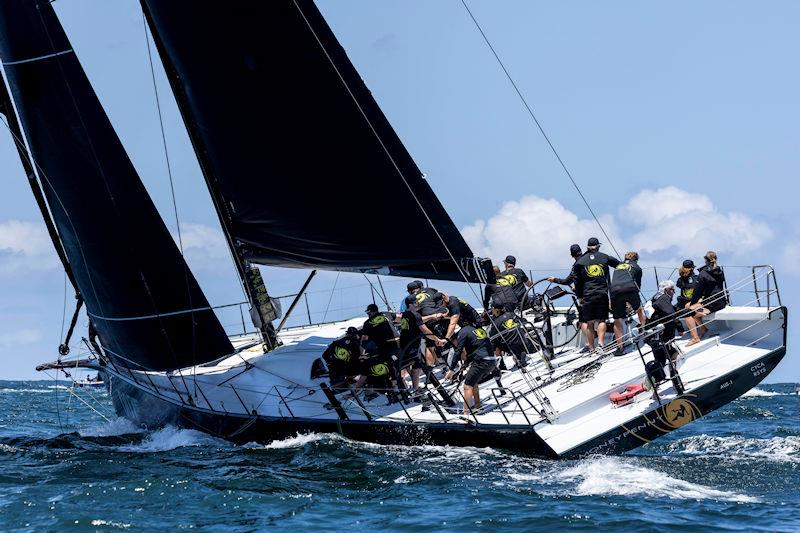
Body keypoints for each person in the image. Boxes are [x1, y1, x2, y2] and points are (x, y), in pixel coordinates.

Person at [573, 238, 620, 350]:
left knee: (589, 323)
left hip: (587, 295)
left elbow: (577, 281)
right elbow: (619, 265)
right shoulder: (604, 257)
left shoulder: (580, 262)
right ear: (598, 246)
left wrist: (579, 297)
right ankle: (600, 344)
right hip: (602, 293)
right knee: (601, 320)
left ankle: (591, 349)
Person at [548, 244, 593, 353]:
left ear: (572, 255)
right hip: (597, 292)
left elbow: (567, 281)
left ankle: (589, 345)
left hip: (583, 297)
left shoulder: (576, 266)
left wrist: (554, 280)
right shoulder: (590, 260)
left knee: (583, 321)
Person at [645, 280, 685, 394]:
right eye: (672, 289)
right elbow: (670, 314)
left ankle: (655, 391)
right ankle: (674, 382)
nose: (674, 292)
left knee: (661, 361)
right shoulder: (663, 298)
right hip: (662, 338)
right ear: (666, 290)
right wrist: (680, 328)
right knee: (673, 355)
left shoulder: (655, 298)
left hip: (655, 338)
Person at [453, 323, 497, 415]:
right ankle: (478, 406)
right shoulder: (475, 330)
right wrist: (465, 364)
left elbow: (458, 351)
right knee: (474, 382)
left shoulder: (463, 333)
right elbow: (476, 348)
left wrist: (451, 369)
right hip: (492, 361)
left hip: (481, 362)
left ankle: (466, 414)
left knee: (467, 386)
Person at [686, 251, 727, 346]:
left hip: (712, 303)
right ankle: (703, 328)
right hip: (721, 301)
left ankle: (695, 338)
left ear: (705, 260)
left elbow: (697, 292)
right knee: (689, 306)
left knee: (688, 312)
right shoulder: (719, 271)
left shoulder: (703, 273)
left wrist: (694, 303)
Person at [609, 251, 645, 355]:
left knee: (616, 319)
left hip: (614, 291)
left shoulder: (618, 266)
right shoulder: (637, 267)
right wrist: (632, 301)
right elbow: (638, 285)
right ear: (636, 259)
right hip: (630, 289)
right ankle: (643, 329)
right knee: (639, 309)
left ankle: (619, 347)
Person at [489, 303, 535, 368]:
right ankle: (520, 356)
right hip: (523, 341)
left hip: (511, 345)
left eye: (492, 309)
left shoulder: (496, 322)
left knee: (496, 344)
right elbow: (523, 320)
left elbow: (492, 337)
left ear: (496, 310)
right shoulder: (511, 314)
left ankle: (501, 366)